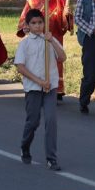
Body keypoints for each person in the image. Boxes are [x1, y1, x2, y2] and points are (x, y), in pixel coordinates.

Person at [15, 9, 66, 170]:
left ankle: (52, 158)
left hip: (50, 88)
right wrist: (39, 82)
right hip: (33, 88)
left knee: (51, 121)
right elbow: (21, 67)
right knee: (33, 121)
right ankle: (25, 146)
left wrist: (52, 42)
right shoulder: (25, 43)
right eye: (34, 23)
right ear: (28, 26)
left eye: (40, 22)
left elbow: (62, 57)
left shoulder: (49, 39)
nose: (38, 26)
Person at [17, 0, 71, 101]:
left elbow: (66, 24)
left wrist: (67, 15)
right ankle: (38, 86)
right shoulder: (32, 1)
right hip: (36, 38)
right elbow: (25, 20)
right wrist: (25, 29)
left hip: (54, 37)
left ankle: (56, 89)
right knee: (38, 62)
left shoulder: (59, 0)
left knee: (56, 62)